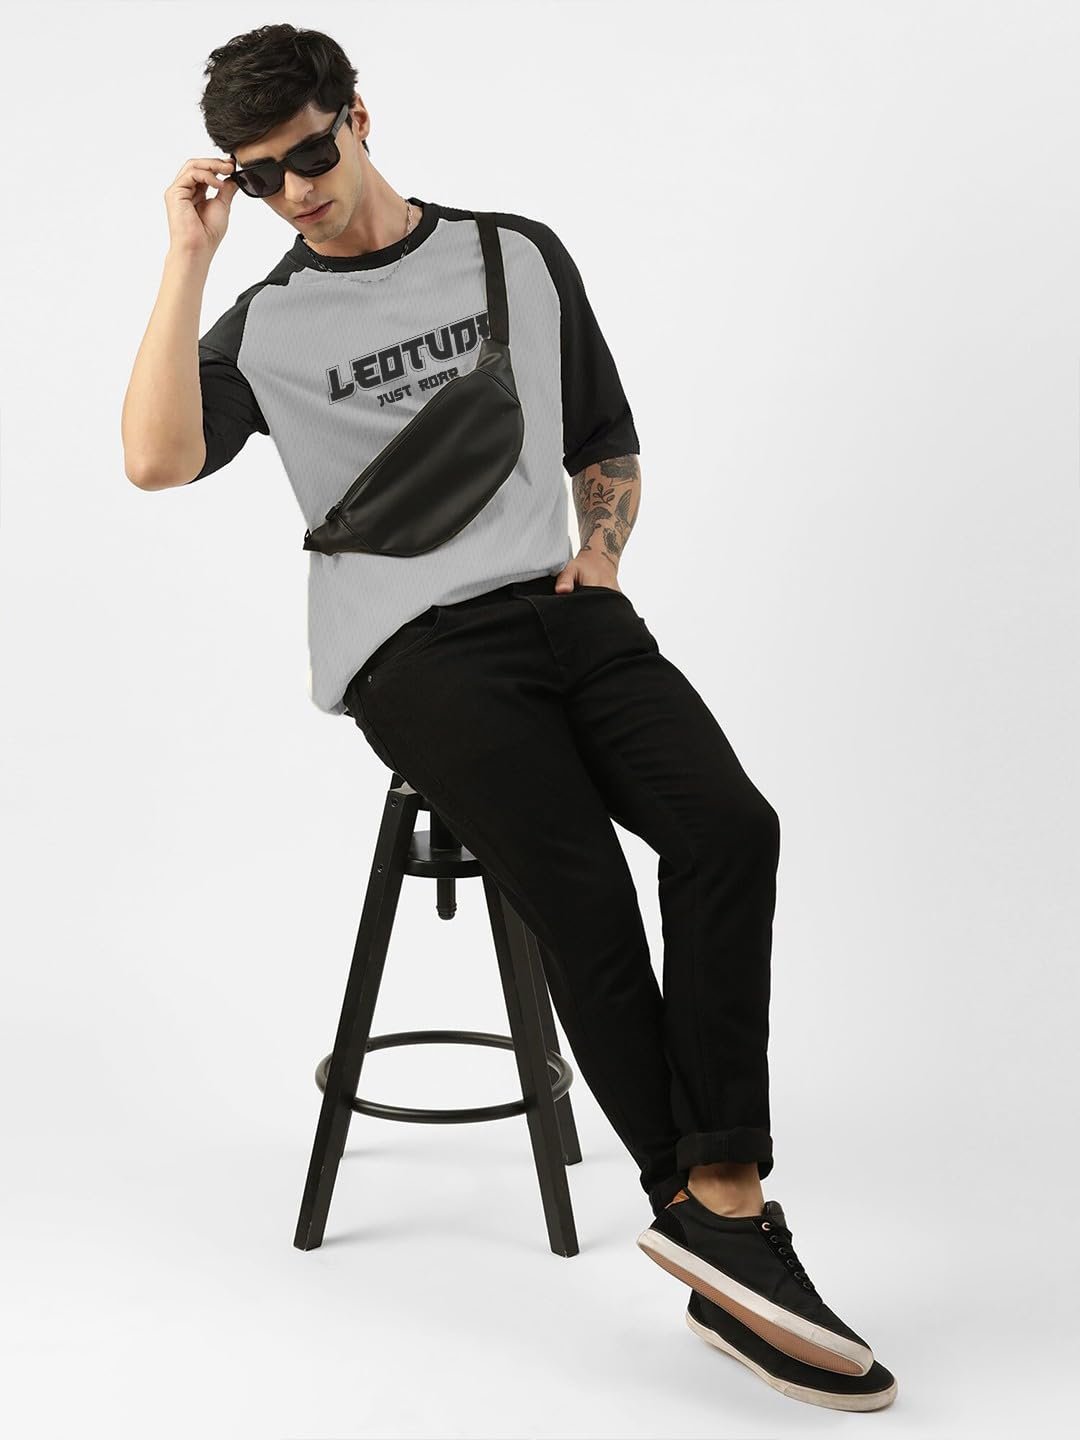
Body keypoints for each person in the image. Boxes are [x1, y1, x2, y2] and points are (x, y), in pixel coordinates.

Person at [120, 23, 896, 1412]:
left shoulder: (513, 253)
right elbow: (155, 459)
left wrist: (602, 550)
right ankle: (721, 1215)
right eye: (261, 176)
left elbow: (603, 435)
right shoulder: (268, 322)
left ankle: (718, 1224)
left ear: (359, 117)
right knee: (581, 893)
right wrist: (190, 258)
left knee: (730, 829)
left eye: (310, 154)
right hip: (414, 651)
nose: (296, 193)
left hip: (567, 612)